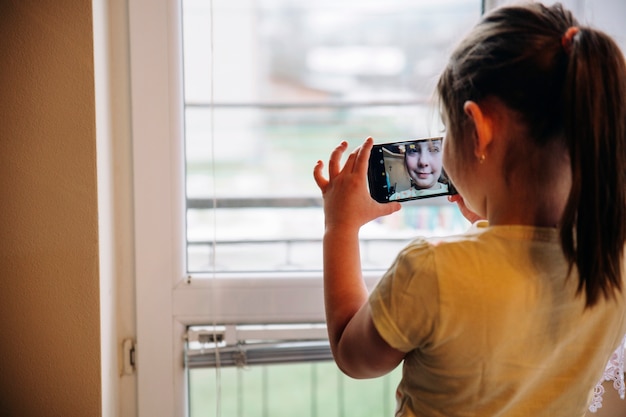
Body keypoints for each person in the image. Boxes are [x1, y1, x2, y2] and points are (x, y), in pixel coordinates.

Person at [312, 2, 626, 416]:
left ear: (478, 130)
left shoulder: (430, 274)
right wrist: (494, 224)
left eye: (446, 130)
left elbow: (353, 354)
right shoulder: (610, 261)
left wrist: (340, 227)